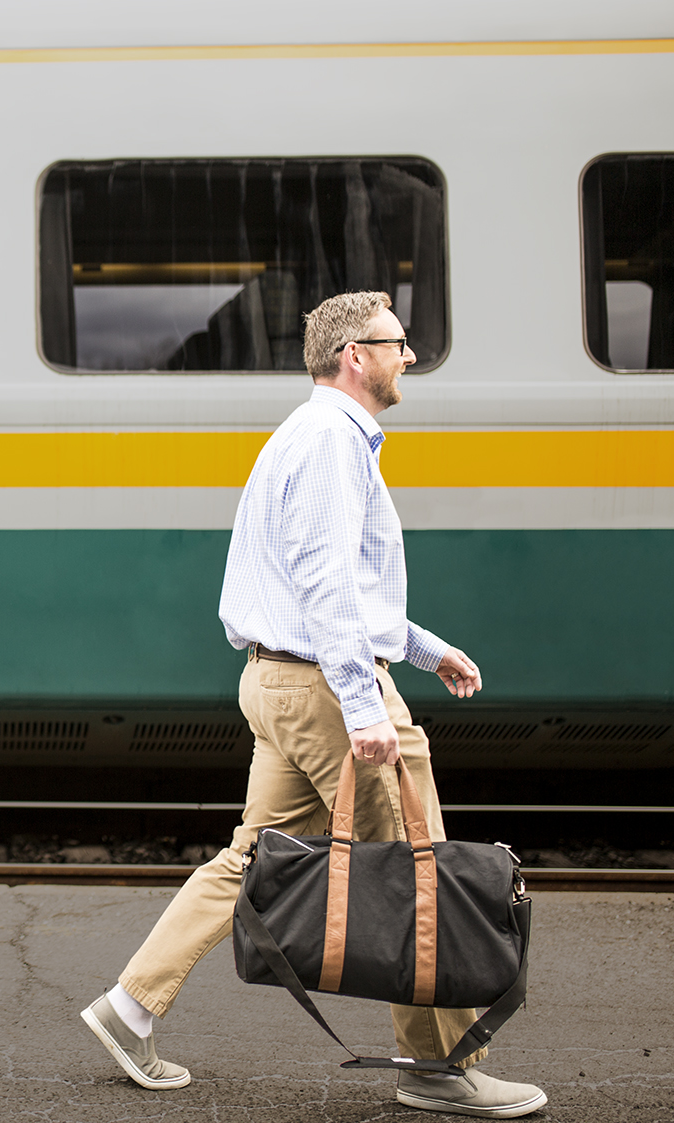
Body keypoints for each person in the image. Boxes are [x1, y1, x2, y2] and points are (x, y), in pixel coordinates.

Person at [79, 292, 548, 1119]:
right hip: (327, 688)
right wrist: (365, 705)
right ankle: (438, 1065)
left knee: (252, 857)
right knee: (416, 861)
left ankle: (130, 1005)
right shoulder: (332, 441)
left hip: (279, 680)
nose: (409, 356)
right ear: (353, 356)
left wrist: (422, 647)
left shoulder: (311, 435)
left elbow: (336, 582)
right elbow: (325, 580)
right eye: (397, 344)